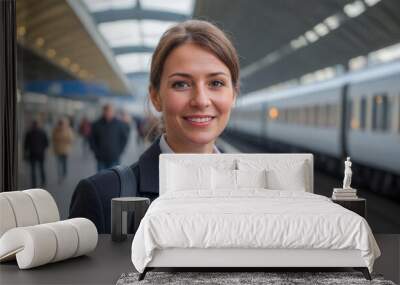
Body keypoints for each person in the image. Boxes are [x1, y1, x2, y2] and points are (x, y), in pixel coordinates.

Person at [69, 20, 239, 233]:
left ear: (234, 94)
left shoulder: (258, 193)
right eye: (181, 84)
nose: (201, 100)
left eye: (216, 83)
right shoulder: (101, 196)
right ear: (156, 97)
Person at [89, 103, 129, 171]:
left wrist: (119, 151)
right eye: (107, 111)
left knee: (114, 179)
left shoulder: (119, 124)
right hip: (101, 158)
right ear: (103, 111)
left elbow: (124, 139)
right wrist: (96, 152)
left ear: (113, 112)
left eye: (110, 111)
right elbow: (91, 139)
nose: (108, 113)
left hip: (114, 157)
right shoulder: (96, 124)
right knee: (100, 179)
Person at [24, 119, 49, 187]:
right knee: (41, 168)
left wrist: (25, 154)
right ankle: (43, 181)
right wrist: (43, 149)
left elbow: (26, 144)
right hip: (41, 153)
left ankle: (34, 183)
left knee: (33, 169)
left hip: (32, 153)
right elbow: (46, 143)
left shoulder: (29, 133)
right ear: (38, 125)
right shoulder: (42, 132)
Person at [52, 118, 74, 183]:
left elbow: (71, 139)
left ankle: (64, 173)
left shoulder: (68, 130)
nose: (61, 125)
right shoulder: (56, 130)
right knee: (59, 164)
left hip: (65, 150)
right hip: (58, 149)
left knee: (64, 163)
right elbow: (53, 138)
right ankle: (60, 176)